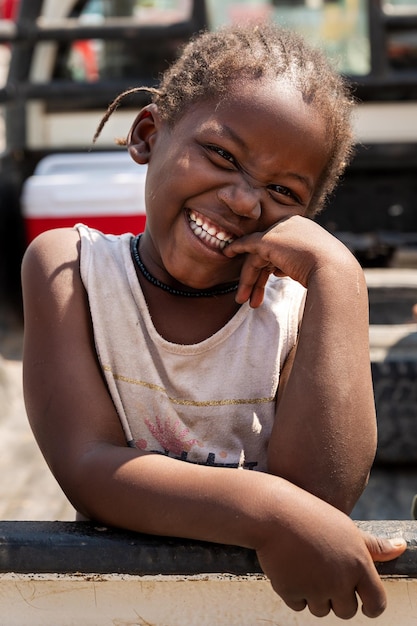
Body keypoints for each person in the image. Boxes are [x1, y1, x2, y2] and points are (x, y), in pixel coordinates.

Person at [21, 22, 406, 620]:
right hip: (112, 604)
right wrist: (270, 514)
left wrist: (340, 275)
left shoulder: (297, 306)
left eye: (282, 191)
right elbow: (88, 466)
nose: (245, 201)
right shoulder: (71, 270)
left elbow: (323, 499)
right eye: (222, 155)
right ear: (149, 133)